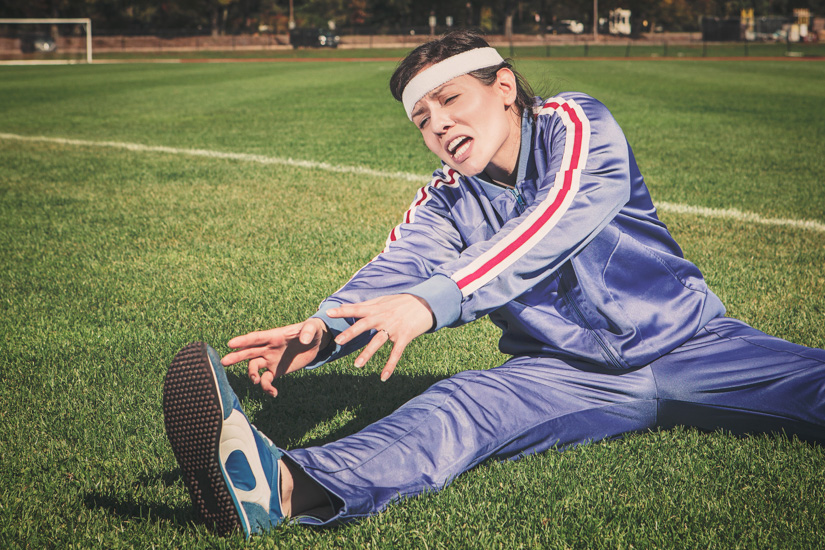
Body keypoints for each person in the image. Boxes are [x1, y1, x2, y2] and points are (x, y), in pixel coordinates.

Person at [162, 30, 825, 538]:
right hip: (561, 373)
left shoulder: (573, 124)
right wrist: (328, 328)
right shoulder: (445, 199)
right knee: (452, 409)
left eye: (450, 100)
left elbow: (554, 221)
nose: (439, 125)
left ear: (504, 88)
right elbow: (396, 270)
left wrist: (432, 303)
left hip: (693, 345)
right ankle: (276, 487)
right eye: (421, 119)